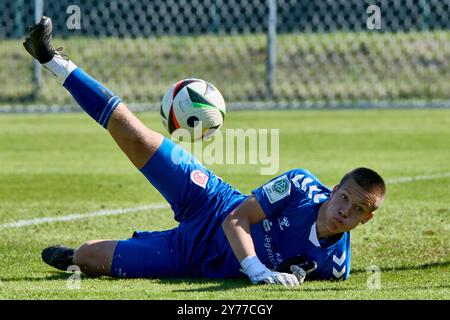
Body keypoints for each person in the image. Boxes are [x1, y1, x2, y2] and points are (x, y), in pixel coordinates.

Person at [23, 17, 386, 287]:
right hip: (211, 202)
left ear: (366, 220)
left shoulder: (336, 265)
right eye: (344, 198)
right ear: (334, 189)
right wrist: (258, 271)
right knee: (136, 137)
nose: (345, 211)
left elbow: (305, 271)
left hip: (192, 257)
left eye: (357, 210)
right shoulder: (301, 186)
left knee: (88, 256)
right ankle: (52, 59)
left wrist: (293, 274)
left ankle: (73, 256)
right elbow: (235, 220)